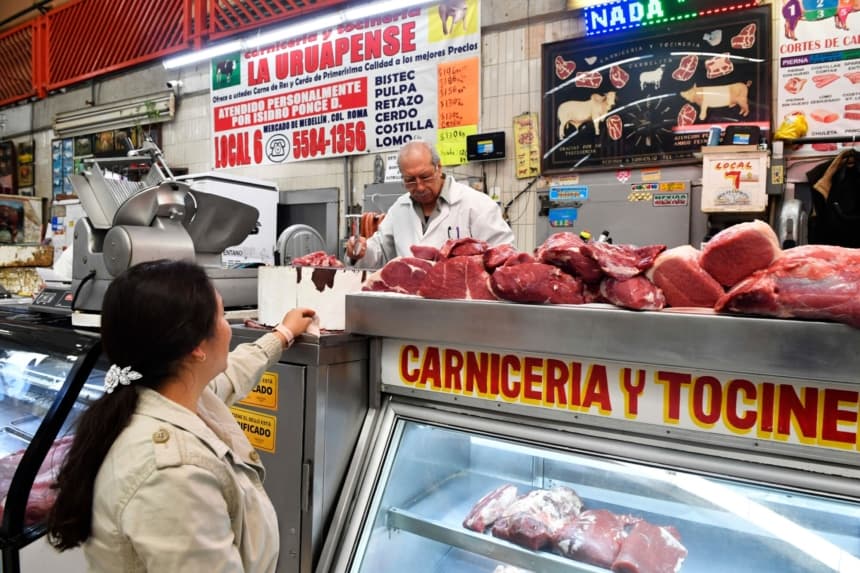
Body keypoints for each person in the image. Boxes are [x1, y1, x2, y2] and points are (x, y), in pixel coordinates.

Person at [47, 259, 316, 572]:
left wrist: (282, 334)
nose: (229, 327)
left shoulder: (160, 393)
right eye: (222, 315)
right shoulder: (174, 475)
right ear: (197, 348)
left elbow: (231, 378)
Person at [347, 140, 514, 267]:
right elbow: (380, 251)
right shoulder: (399, 208)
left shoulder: (477, 204)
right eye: (410, 180)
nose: (419, 187)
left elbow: (504, 255)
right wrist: (361, 250)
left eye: (425, 177)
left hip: (462, 305)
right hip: (410, 302)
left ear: (438, 167)